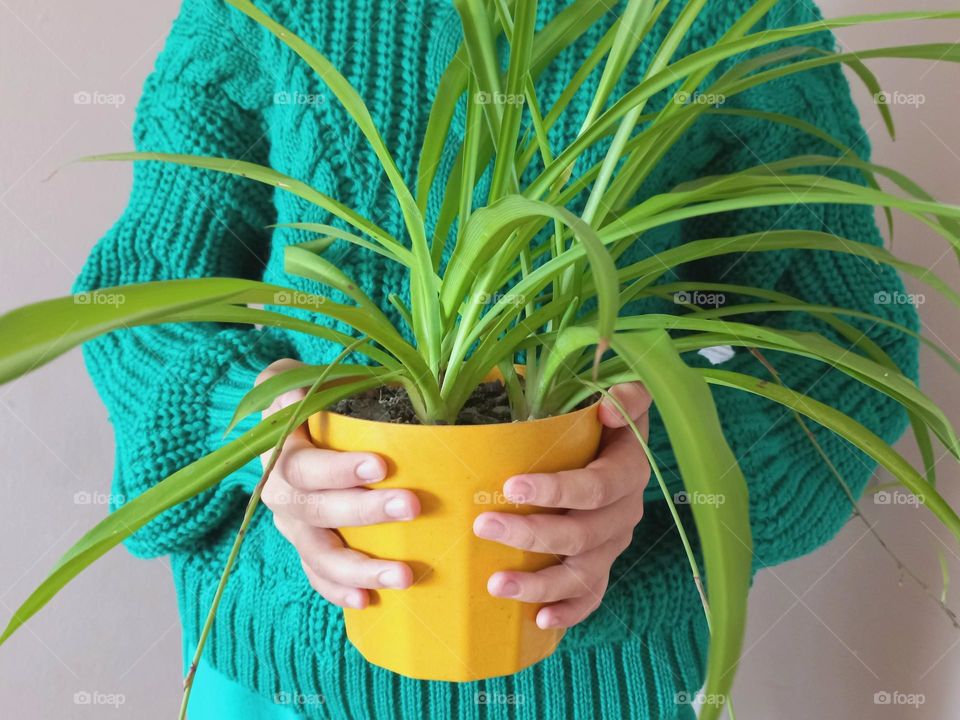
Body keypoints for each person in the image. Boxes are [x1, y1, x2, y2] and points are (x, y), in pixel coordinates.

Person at [74, 0, 918, 718]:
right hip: (280, 673)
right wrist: (251, 422)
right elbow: (141, 296)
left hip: (599, 681)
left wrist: (656, 456)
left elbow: (846, 352)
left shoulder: (721, 14)